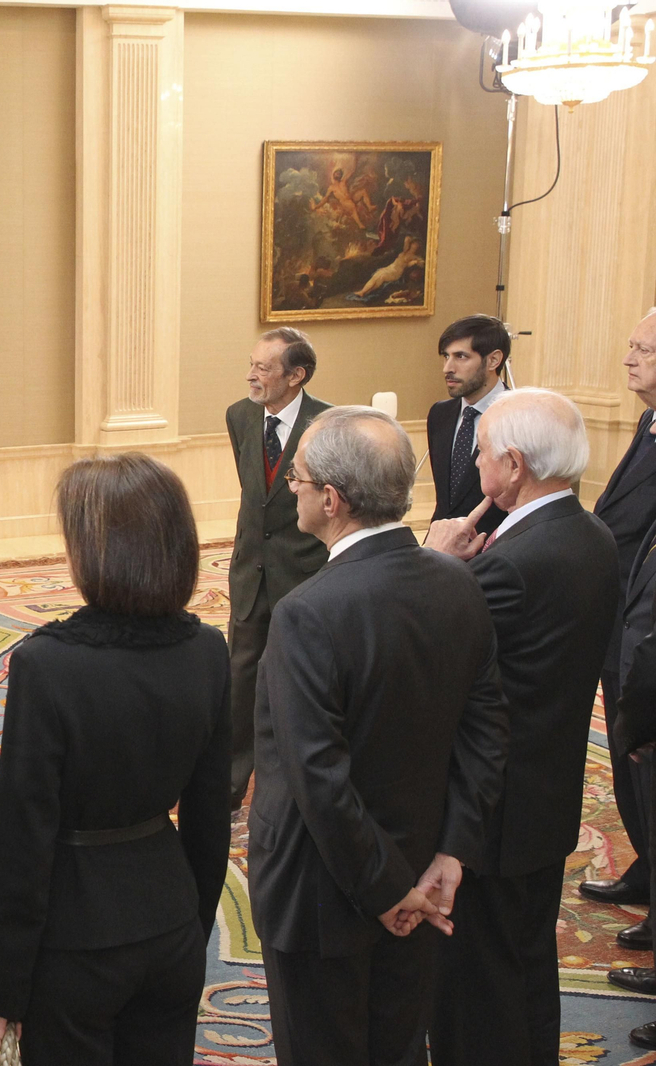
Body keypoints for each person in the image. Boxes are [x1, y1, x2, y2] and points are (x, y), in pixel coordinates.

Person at [248, 406, 508, 1066]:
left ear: (332, 500)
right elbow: (487, 732)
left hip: (327, 894)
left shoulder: (306, 613)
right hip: (426, 873)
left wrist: (388, 890)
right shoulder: (457, 581)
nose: (291, 489)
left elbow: (319, 780)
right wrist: (450, 856)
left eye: (299, 479)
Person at [0, 454, 231, 1065]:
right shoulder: (207, 649)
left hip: (74, 939)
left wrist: (4, 987)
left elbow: (23, 834)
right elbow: (209, 815)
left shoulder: (48, 664)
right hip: (172, 923)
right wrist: (191, 926)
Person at [423, 389, 618, 1065]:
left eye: (480, 455)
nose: (475, 467)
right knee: (525, 969)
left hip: (492, 811)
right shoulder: (590, 534)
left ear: (513, 464)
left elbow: (430, 659)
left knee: (478, 987)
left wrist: (439, 566)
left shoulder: (512, 563)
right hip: (546, 791)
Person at [224, 327, 331, 809]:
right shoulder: (239, 416)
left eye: (263, 368)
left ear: (296, 375)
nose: (251, 375)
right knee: (241, 676)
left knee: (300, 681)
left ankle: (294, 783)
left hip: (305, 574)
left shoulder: (328, 423)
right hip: (251, 573)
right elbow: (259, 498)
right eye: (251, 363)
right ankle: (229, 783)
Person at [582, 309, 656, 922]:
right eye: (631, 345)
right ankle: (648, 867)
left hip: (647, 623)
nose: (629, 358)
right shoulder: (649, 419)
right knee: (632, 757)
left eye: (645, 350)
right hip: (621, 615)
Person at [426, 314, 510, 539]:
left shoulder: (520, 416)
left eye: (461, 356)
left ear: (493, 360)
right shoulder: (439, 414)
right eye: (446, 356)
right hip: (441, 549)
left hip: (496, 551)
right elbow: (446, 501)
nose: (447, 368)